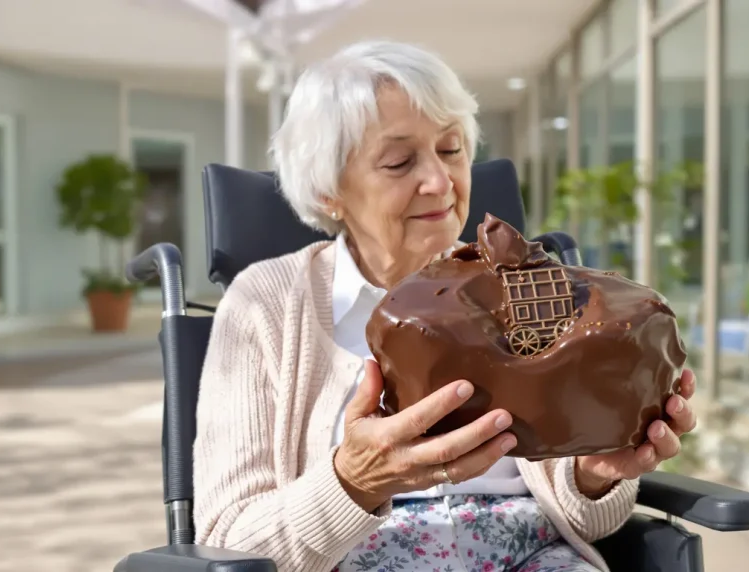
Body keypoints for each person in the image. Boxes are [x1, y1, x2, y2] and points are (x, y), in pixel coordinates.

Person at [192, 40, 698, 572]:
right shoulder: (264, 306)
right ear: (328, 191)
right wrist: (355, 480)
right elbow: (229, 543)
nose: (439, 182)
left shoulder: (532, 287)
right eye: (398, 161)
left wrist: (595, 476)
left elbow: (588, 521)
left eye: (452, 150)